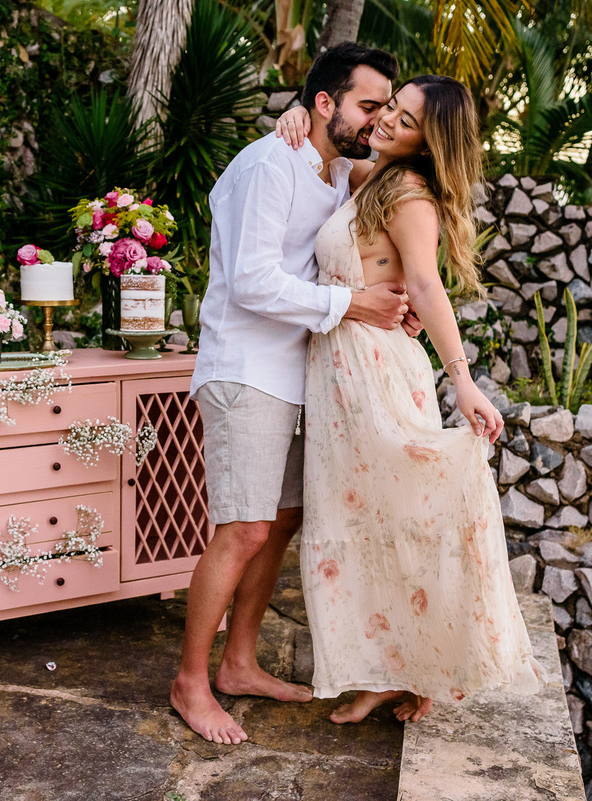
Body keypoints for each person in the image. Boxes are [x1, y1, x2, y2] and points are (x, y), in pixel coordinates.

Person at [273, 76, 547, 727]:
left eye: (406, 117)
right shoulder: (375, 175)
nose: (389, 119)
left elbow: (425, 283)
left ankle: (414, 669)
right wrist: (293, 115)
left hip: (375, 372)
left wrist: (464, 379)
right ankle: (385, 670)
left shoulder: (410, 194)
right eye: (390, 107)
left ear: (434, 138)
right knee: (361, 526)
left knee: (399, 524)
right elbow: (329, 152)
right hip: (340, 373)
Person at [171, 43, 414, 746]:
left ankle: (239, 662)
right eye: (369, 106)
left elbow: (410, 181)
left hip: (294, 375)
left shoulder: (334, 170)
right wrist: (353, 303)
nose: (378, 119)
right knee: (242, 528)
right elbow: (250, 281)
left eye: (385, 108)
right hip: (245, 369)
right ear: (325, 103)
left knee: (278, 521)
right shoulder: (268, 164)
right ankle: (190, 680)